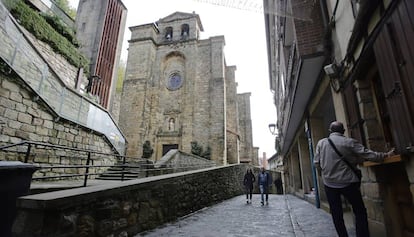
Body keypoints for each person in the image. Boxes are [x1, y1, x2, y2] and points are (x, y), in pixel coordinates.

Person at [314, 121, 394, 237]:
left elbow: (316, 163)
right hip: (348, 183)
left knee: (337, 214)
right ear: (343, 131)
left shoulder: (321, 143)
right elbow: (368, 154)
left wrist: (324, 175)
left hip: (329, 184)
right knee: (359, 211)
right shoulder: (349, 142)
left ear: (330, 131)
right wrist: (385, 155)